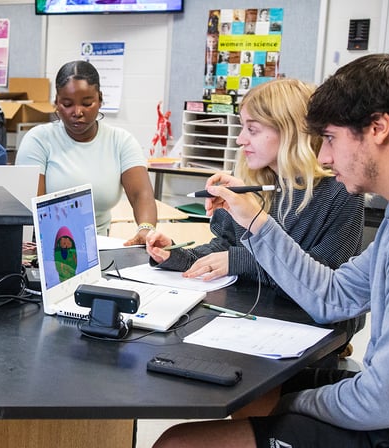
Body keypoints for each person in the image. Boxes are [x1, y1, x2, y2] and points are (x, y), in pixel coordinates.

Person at [151, 54, 389, 448]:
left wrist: (294, 404)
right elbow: (335, 293)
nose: (323, 157)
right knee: (259, 410)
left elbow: (385, 402)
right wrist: (256, 223)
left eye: (331, 139)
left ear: (379, 128)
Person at [146, 78, 364, 364]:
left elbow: (322, 282)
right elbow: (223, 248)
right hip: (254, 321)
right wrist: (178, 255)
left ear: (289, 132)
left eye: (252, 129)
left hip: (305, 336)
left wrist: (238, 261)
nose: (240, 139)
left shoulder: (339, 193)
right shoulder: (255, 185)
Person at [15, 60, 157, 243]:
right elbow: (33, 207)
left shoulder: (121, 141)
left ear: (100, 100)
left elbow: (141, 195)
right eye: (67, 104)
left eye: (87, 103)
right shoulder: (38, 141)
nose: (77, 112)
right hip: (51, 243)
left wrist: (146, 230)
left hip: (100, 243)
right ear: (56, 102)